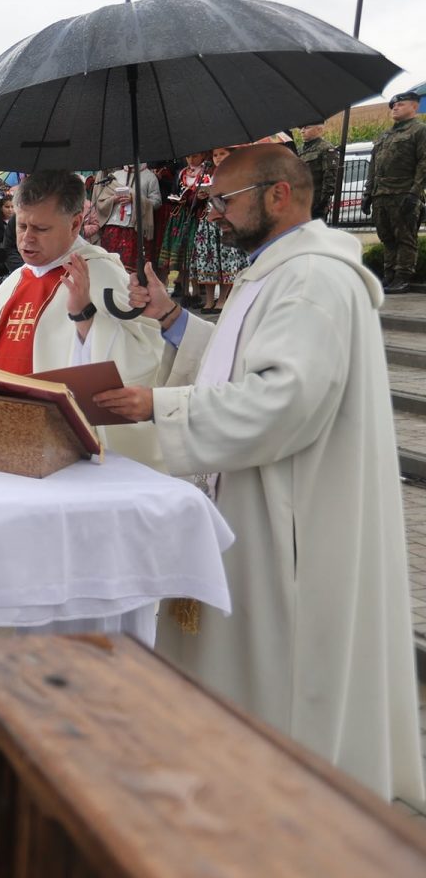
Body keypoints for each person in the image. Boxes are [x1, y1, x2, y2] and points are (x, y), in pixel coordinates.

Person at [94, 145, 424, 804]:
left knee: (282, 684)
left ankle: (280, 811)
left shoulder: (312, 280)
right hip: (252, 498)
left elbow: (283, 399)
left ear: (278, 194)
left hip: (291, 517)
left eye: (225, 199)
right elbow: (237, 360)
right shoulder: (272, 274)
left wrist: (163, 405)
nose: (213, 214)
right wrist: (171, 319)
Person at [0, 169, 162, 466]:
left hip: (64, 451)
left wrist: (85, 315)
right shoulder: (19, 277)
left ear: (75, 224)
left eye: (41, 229)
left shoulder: (101, 273)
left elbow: (143, 360)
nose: (26, 239)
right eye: (21, 226)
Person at [363, 91, 426, 294]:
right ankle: (389, 276)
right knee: (387, 238)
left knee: (405, 238)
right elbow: (374, 165)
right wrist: (367, 194)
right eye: (393, 106)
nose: (395, 108)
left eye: (400, 105)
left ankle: (403, 277)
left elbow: (423, 163)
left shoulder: (419, 130)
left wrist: (415, 193)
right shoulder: (385, 135)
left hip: (403, 193)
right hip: (381, 195)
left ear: (414, 107)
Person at [189, 146, 246, 310]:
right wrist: (201, 195)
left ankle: (222, 299)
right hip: (209, 222)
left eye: (223, 154)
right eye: (215, 155)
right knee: (208, 259)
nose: (218, 157)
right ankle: (209, 299)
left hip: (227, 221)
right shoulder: (209, 174)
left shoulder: (238, 174)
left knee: (226, 259)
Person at [158, 153, 209, 304]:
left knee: (192, 253)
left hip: (196, 216)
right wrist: (177, 198)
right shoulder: (181, 173)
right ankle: (184, 289)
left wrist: (198, 198)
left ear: (203, 156)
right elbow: (174, 191)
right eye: (188, 157)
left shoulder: (206, 173)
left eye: (195, 156)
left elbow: (207, 194)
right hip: (180, 217)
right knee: (181, 252)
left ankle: (196, 291)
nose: (191, 160)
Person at [91, 165, 161, 273]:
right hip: (112, 226)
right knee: (109, 267)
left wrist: (134, 199)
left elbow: (157, 202)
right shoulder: (115, 176)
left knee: (131, 272)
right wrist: (113, 199)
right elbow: (101, 199)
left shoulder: (150, 177)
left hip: (135, 229)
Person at [297, 123, 340, 221]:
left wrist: (321, 203)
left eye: (307, 127)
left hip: (316, 202)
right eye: (301, 128)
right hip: (300, 201)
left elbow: (330, 178)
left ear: (319, 129)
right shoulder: (299, 150)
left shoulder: (326, 148)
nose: (302, 131)